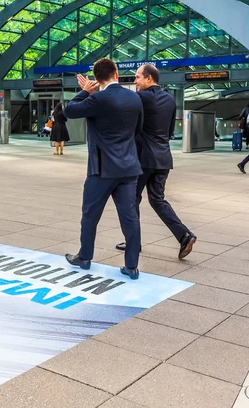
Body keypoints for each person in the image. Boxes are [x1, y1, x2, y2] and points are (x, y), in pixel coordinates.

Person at [64, 58, 144, 280]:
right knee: (130, 217)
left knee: (90, 214)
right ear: (116, 74)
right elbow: (138, 130)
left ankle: (85, 257)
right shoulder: (135, 98)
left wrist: (85, 92)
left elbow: (69, 111)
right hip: (129, 167)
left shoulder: (97, 98)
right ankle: (132, 266)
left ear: (96, 80)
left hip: (101, 169)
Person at [115, 64, 197, 260]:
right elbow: (169, 132)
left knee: (132, 198)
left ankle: (134, 243)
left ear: (149, 79)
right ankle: (184, 235)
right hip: (163, 158)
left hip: (143, 159)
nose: (135, 82)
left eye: (137, 78)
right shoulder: (170, 100)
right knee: (157, 200)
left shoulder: (140, 97)